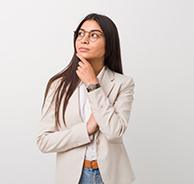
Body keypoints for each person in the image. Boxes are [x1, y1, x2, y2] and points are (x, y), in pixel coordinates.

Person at [36, 13, 136, 184]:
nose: (84, 40)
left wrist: (93, 85)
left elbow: (114, 132)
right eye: (80, 34)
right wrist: (86, 130)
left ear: (109, 44)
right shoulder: (58, 84)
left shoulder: (123, 84)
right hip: (73, 178)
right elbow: (43, 141)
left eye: (94, 35)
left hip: (111, 178)